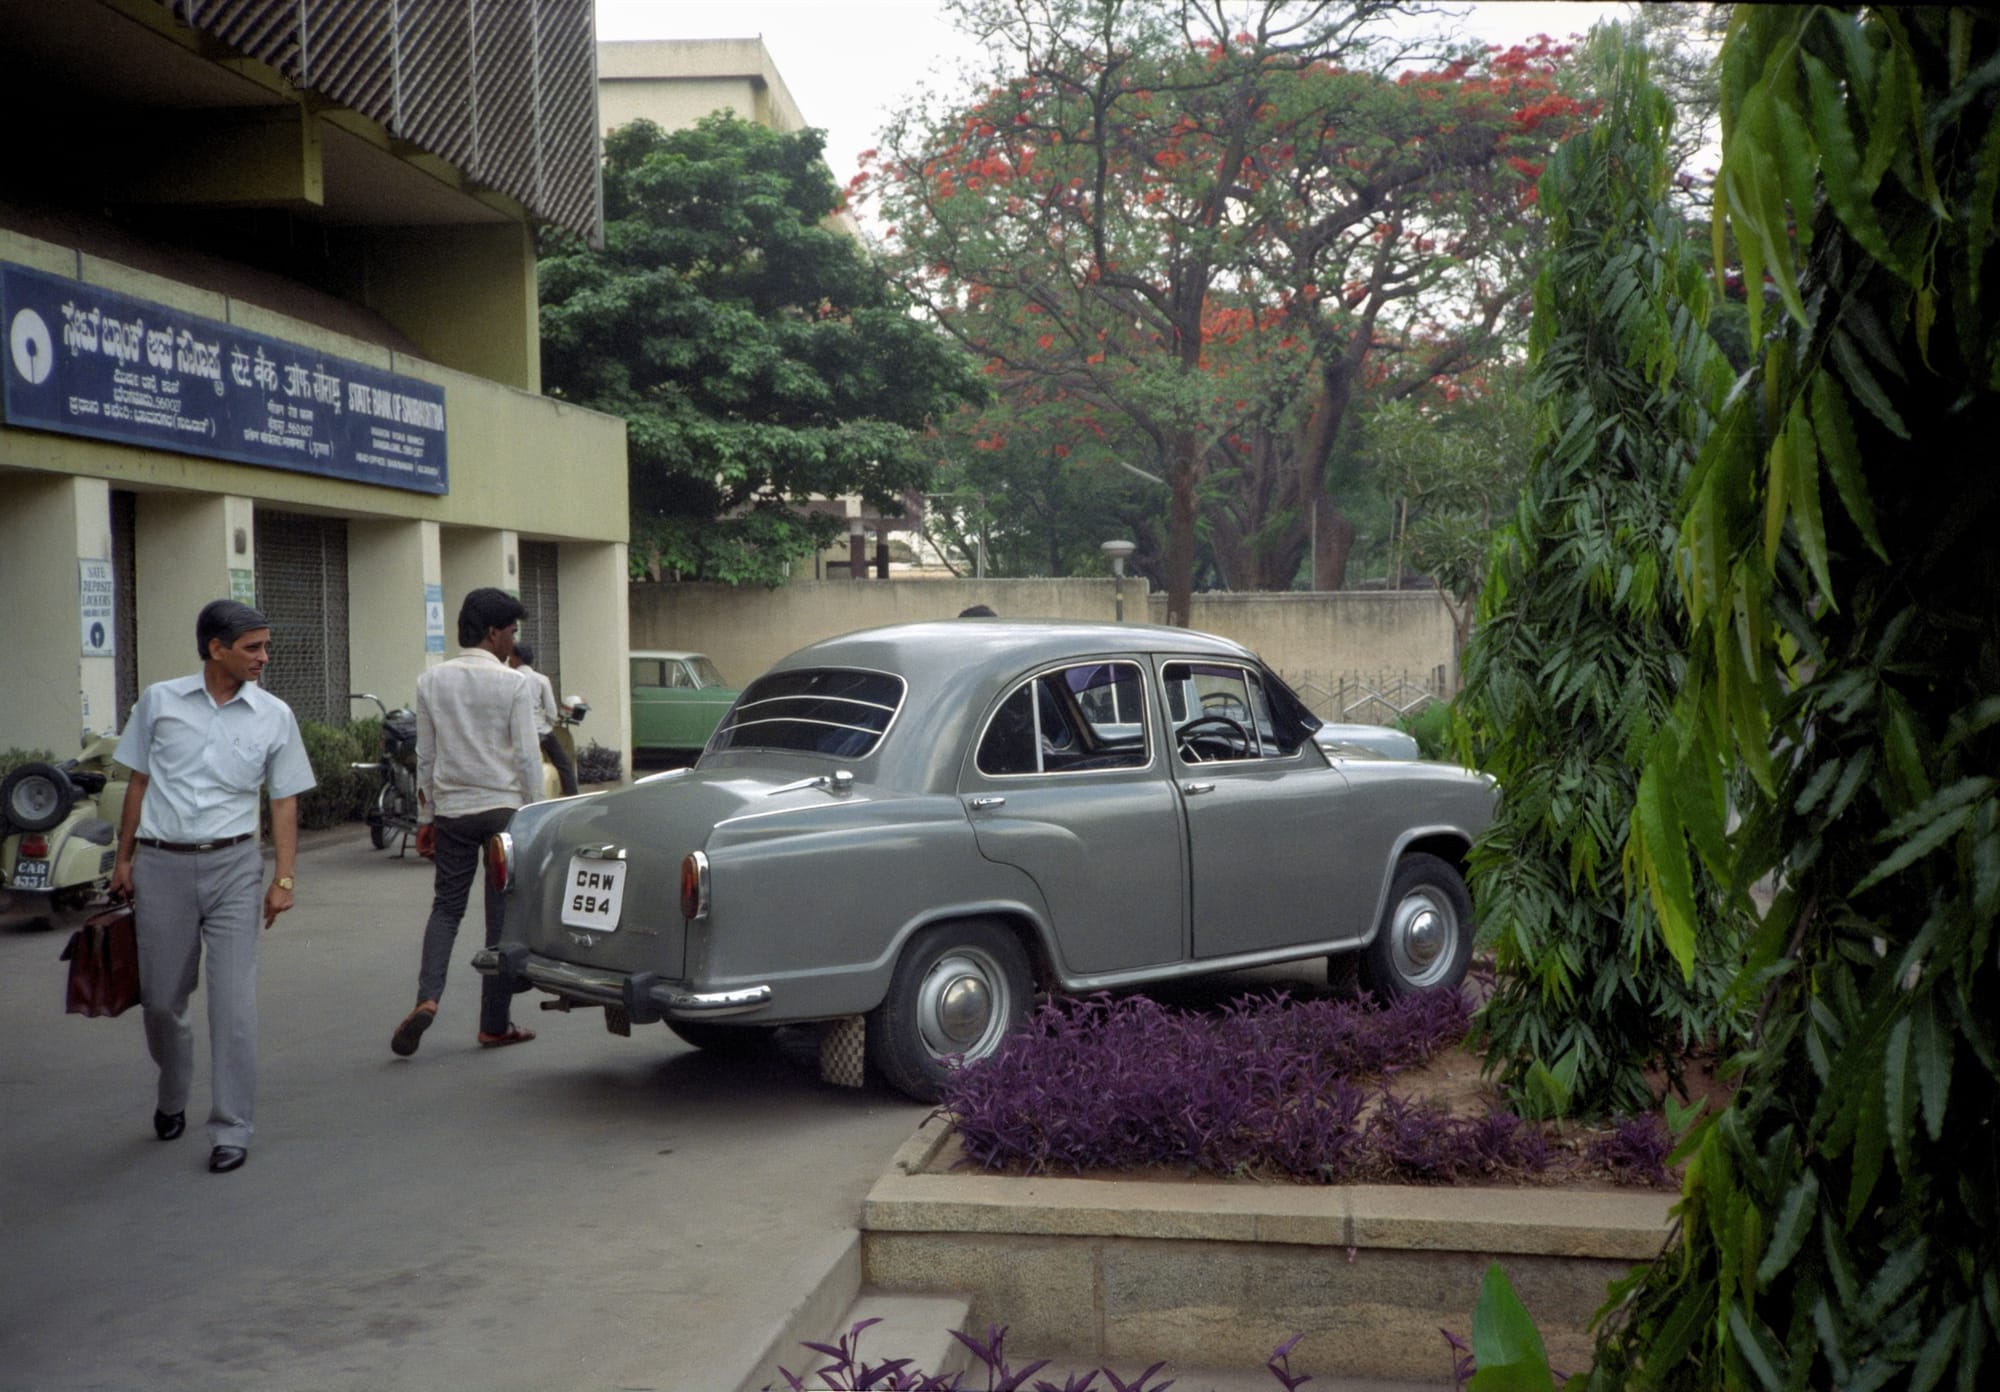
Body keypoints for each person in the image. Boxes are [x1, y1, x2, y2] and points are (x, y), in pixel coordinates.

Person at [108, 600, 316, 1175]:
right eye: (253, 648)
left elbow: (284, 800)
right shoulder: (159, 702)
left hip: (234, 867)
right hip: (161, 866)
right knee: (161, 1002)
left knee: (234, 1006)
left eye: (265, 646)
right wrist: (123, 861)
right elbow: (137, 784)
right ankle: (172, 1093)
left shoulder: (274, 715)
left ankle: (231, 1127)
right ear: (215, 649)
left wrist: (284, 878)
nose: (263, 658)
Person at [391, 587, 543, 1057]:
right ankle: (493, 1024)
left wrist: (425, 816)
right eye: (511, 632)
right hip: (503, 812)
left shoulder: (431, 681)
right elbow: (525, 757)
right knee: (501, 920)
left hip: (454, 811)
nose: (513, 643)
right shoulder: (514, 683)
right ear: (493, 632)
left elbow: (427, 756)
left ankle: (428, 998)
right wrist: (536, 815)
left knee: (445, 910)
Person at [510, 642, 576, 797]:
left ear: (517, 658)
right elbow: (552, 711)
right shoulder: (541, 679)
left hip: (519, 732)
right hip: (542, 730)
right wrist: (549, 722)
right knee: (562, 763)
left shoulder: (510, 678)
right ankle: (571, 794)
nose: (509, 660)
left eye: (511, 657)